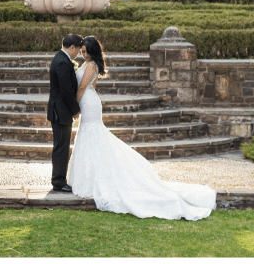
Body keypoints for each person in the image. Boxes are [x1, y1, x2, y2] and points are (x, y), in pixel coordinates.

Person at [68, 35, 217, 220]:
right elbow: (91, 86)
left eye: (86, 51)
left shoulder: (91, 65)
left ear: (92, 51)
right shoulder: (88, 64)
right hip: (89, 101)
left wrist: (74, 109)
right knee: (89, 137)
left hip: (87, 102)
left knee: (93, 136)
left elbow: (83, 88)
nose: (83, 54)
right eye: (82, 51)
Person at [46, 34, 84, 192]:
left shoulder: (61, 58)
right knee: (61, 147)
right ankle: (58, 181)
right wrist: (75, 110)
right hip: (60, 111)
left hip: (60, 110)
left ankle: (58, 179)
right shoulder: (62, 62)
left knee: (61, 145)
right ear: (73, 47)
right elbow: (66, 90)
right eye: (78, 50)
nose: (79, 54)